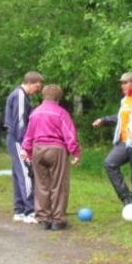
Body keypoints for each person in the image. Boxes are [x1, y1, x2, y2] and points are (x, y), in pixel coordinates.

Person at [92, 72, 132, 216]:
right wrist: (104, 120)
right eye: (121, 83)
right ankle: (127, 198)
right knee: (110, 163)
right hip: (123, 142)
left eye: (125, 82)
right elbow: (120, 118)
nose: (122, 85)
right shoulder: (125, 99)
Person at [21, 85, 80, 231]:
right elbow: (69, 134)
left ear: (43, 96)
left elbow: (29, 134)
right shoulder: (61, 113)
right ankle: (58, 220)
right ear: (58, 98)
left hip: (38, 149)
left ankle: (43, 219)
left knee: (41, 184)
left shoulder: (35, 112)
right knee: (59, 185)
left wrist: (26, 150)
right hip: (56, 149)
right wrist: (75, 152)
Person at [4, 71, 44, 224]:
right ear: (30, 82)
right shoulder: (20, 95)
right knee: (26, 173)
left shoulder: (21, 95)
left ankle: (19, 209)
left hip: (15, 139)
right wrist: (24, 145)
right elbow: (20, 121)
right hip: (18, 139)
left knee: (17, 173)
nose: (37, 90)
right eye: (37, 87)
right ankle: (30, 211)